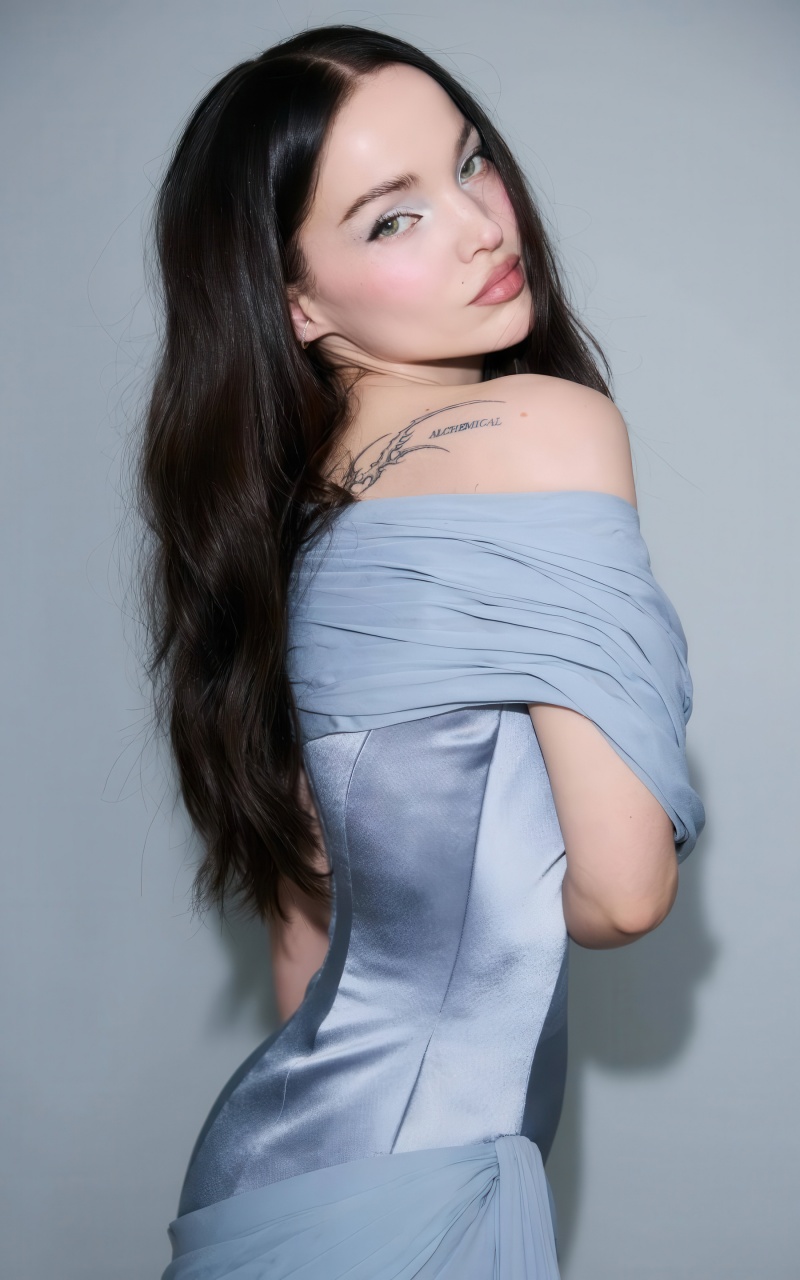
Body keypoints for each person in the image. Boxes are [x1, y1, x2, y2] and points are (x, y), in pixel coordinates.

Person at [138, 24, 705, 1279]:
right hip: (408, 1189)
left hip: (276, 1171)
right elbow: (623, 893)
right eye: (392, 218)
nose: (481, 226)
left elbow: (306, 941)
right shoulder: (542, 426)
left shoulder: (284, 520)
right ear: (294, 301)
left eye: (469, 161)